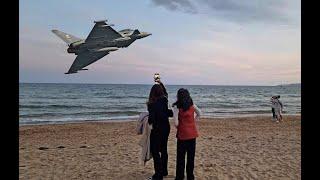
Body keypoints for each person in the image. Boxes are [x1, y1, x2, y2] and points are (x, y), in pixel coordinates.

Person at [147, 75, 173, 180]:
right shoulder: (164, 100)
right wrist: (160, 82)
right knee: (164, 149)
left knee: (155, 150)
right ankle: (164, 171)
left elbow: (151, 119)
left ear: (152, 93)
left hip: (157, 129)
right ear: (161, 92)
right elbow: (165, 93)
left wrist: (148, 119)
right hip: (166, 128)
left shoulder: (152, 104)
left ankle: (158, 174)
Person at [172, 88, 201, 180]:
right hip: (193, 134)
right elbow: (199, 113)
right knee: (190, 158)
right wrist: (193, 122)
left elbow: (176, 123)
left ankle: (180, 177)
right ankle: (190, 177)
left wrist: (180, 127)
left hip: (182, 136)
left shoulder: (177, 107)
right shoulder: (192, 105)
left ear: (178, 96)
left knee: (180, 158)